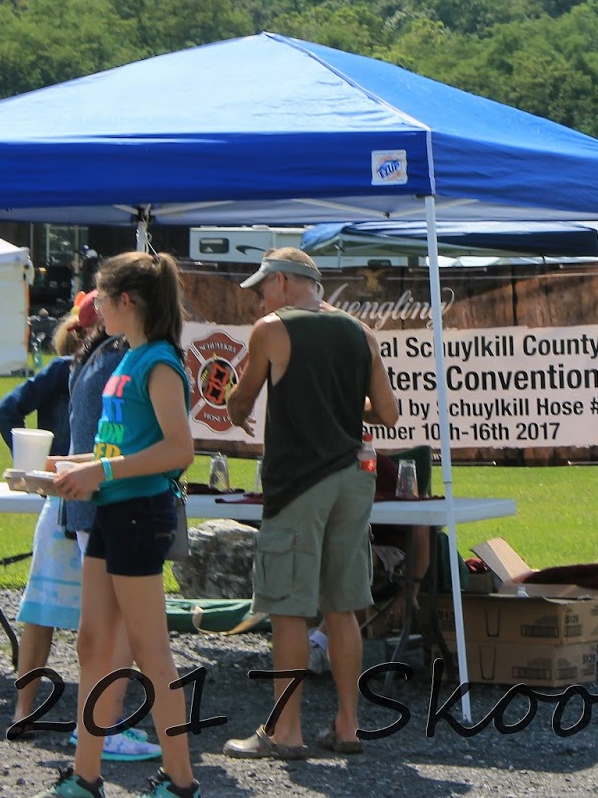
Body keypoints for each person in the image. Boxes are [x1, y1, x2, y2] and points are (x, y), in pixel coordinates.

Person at [222, 247, 398, 760]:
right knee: (341, 609)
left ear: (281, 282)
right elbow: (386, 412)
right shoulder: (361, 332)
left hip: (299, 482)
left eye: (261, 287)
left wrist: (236, 410)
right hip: (352, 478)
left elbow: (243, 399)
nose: (259, 297)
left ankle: (285, 732)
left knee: (288, 610)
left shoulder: (271, 328)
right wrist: (339, 399)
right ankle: (347, 727)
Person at [40, 253, 200, 798]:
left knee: (152, 653)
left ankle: (181, 783)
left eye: (102, 299)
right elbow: (122, 445)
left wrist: (100, 470)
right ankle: (85, 778)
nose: (94, 309)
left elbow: (180, 451)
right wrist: (69, 468)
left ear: (126, 301)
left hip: (138, 514)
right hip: (112, 510)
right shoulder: (128, 357)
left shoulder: (157, 361)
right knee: (92, 644)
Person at [0, 305, 160, 764]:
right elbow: (138, 446)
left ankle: (31, 712)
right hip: (102, 501)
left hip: (68, 499)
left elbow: (16, 412)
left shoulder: (79, 365)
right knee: (116, 624)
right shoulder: (123, 361)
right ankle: (103, 727)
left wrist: (53, 463)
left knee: (53, 614)